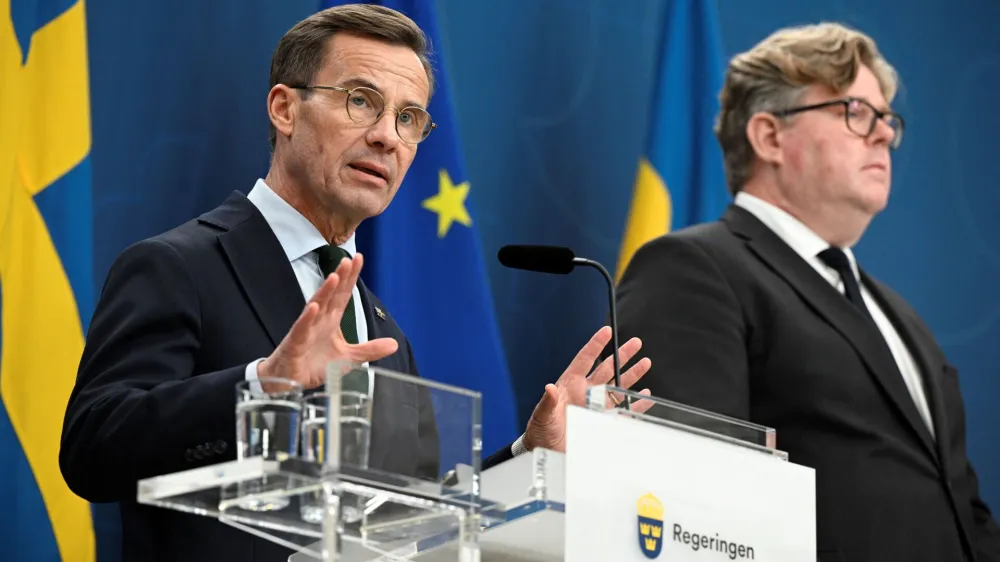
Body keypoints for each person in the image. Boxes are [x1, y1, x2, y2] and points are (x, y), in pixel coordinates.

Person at [58, 5, 652, 562]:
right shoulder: (179, 266)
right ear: (285, 109)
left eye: (408, 118)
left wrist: (532, 458)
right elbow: (92, 449)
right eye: (361, 101)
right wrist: (264, 385)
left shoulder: (381, 328)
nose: (387, 136)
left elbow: (413, 521)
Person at [612, 22, 1000, 562]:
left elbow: (963, 507)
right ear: (769, 136)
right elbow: (689, 493)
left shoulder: (903, 318)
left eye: (887, 119)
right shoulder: (695, 269)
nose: (885, 134)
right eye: (855, 113)